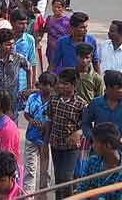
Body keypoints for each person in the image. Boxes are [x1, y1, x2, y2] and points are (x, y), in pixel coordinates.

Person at [82, 71, 122, 162]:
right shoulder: (95, 104)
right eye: (119, 88)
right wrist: (93, 138)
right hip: (98, 156)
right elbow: (85, 123)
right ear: (108, 88)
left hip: (121, 157)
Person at [44, 68, 86, 200]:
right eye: (60, 83)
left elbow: (86, 126)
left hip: (71, 148)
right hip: (55, 145)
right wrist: (45, 143)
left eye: (65, 83)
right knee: (58, 178)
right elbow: (49, 121)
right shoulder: (53, 100)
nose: (61, 86)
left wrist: (78, 133)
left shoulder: (81, 104)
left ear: (74, 85)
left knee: (67, 177)